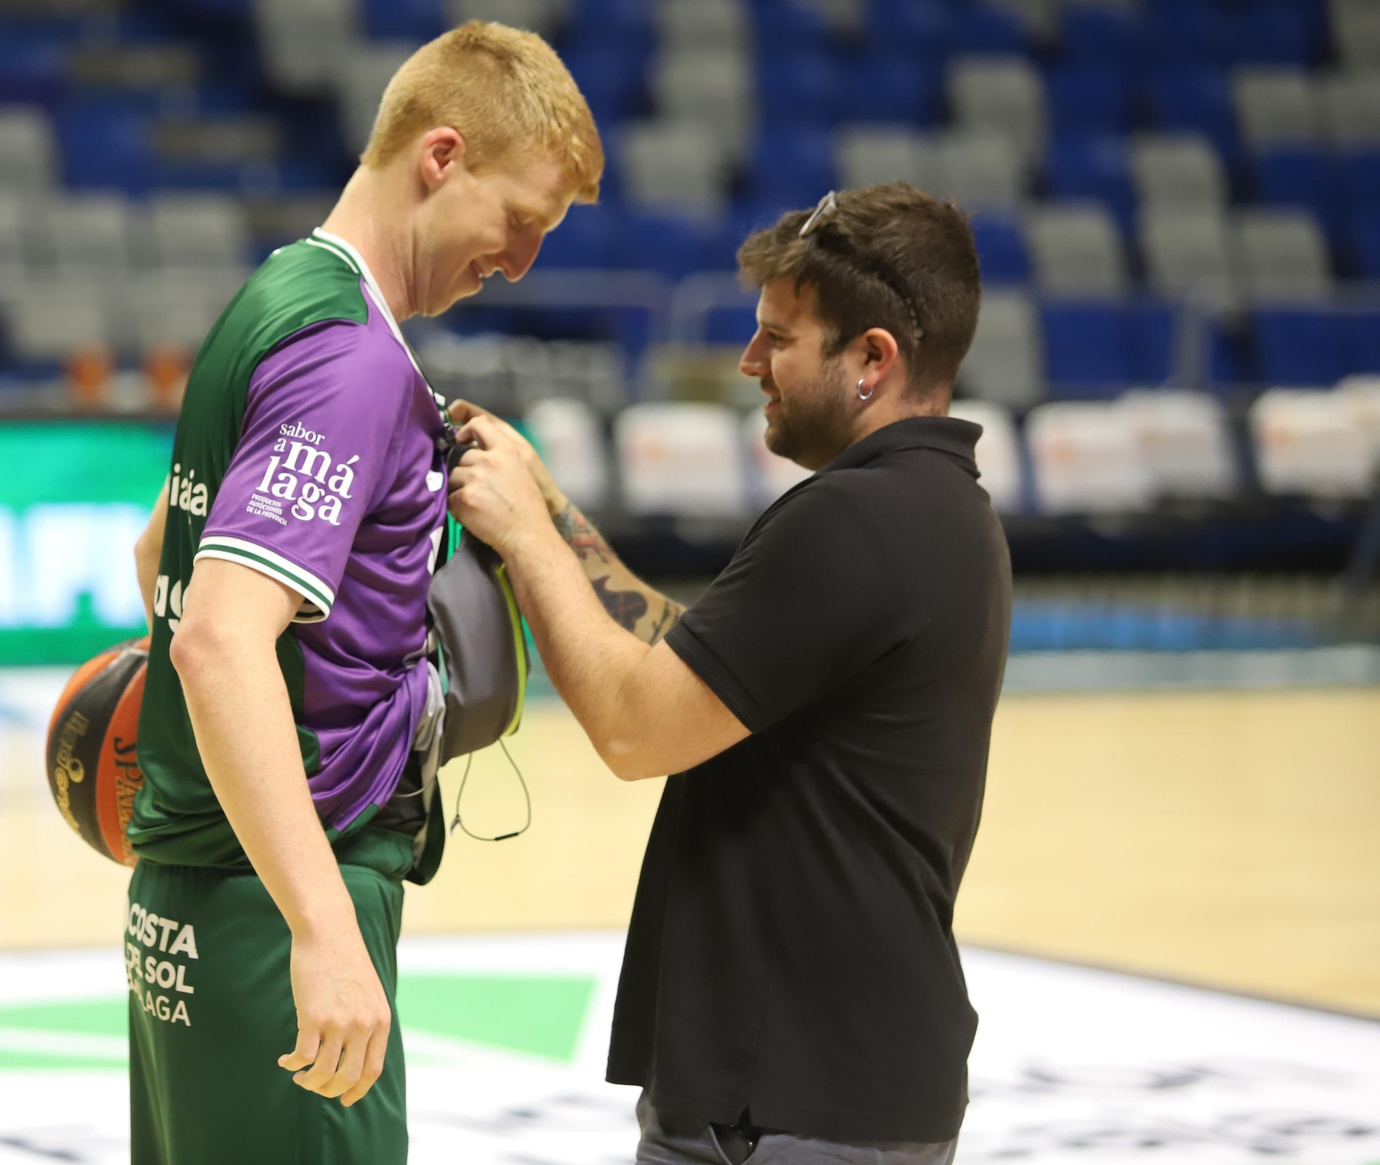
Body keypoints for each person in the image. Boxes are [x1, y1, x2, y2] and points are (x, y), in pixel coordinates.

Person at [447, 182, 1012, 1165]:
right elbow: (691, 657)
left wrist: (524, 539)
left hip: (794, 1098)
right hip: (848, 1085)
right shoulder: (940, 509)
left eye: (779, 340)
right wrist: (553, 505)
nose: (749, 363)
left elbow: (637, 727)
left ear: (870, 359)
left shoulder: (851, 521)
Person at [123, 23, 602, 1165]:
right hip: (270, 906)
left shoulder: (276, 296)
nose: (522, 264)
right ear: (441, 157)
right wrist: (321, 926)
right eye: (520, 223)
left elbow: (163, 557)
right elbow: (217, 642)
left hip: (198, 897)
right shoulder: (352, 359)